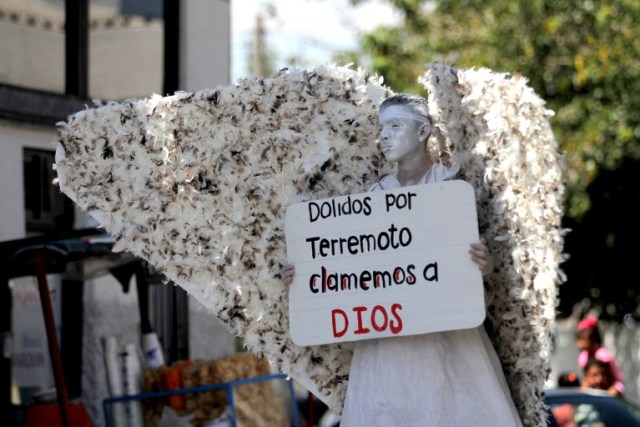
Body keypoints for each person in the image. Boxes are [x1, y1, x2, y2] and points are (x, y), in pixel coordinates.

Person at [282, 94, 522, 426]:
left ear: (423, 132)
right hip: (387, 347)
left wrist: (485, 261)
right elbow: (350, 266)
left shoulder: (450, 187)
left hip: (449, 343)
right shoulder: (373, 198)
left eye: (395, 125)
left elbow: (479, 262)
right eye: (381, 128)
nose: (385, 135)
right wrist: (306, 275)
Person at [575, 315, 624, 396]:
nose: (579, 344)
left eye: (582, 339)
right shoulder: (583, 357)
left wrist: (616, 389)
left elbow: (617, 380)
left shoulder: (604, 356)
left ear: (592, 339)